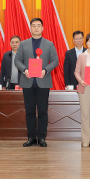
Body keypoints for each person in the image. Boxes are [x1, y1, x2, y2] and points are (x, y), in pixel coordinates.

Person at [14, 18, 59, 148]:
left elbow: (55, 61)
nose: (36, 28)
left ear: (43, 28)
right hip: (28, 81)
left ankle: (42, 138)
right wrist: (25, 70)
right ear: (30, 28)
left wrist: (46, 70)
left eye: (38, 25)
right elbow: (17, 60)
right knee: (29, 112)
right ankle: (31, 137)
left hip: (43, 82)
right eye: (33, 26)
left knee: (43, 111)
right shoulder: (23, 44)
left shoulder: (49, 44)